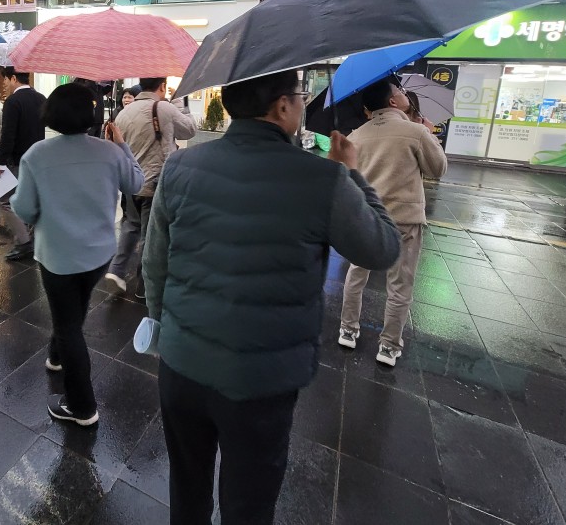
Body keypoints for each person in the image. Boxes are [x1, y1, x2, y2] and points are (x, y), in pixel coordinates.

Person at [142, 70, 401, 525]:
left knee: (187, 488)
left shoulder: (182, 166)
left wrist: (169, 329)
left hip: (182, 367)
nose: (302, 105)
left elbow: (155, 262)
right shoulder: (324, 180)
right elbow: (381, 248)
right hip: (261, 380)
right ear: (282, 106)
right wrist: (354, 175)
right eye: (300, 97)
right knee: (250, 502)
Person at [11, 83, 143, 426]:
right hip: (99, 254)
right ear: (91, 115)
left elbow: (24, 208)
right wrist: (122, 146)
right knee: (73, 311)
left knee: (70, 326)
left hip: (57, 256)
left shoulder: (36, 155)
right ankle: (56, 355)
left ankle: (81, 407)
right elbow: (136, 184)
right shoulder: (110, 153)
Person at [338, 78, 447, 367]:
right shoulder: (415, 132)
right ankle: (388, 346)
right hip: (404, 219)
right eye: (399, 91)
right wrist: (429, 134)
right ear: (393, 102)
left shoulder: (356, 136)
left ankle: (347, 329)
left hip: (366, 216)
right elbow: (438, 169)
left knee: (356, 274)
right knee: (400, 284)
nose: (402, 94)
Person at [105, 77, 196, 299]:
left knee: (130, 225)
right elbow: (190, 130)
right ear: (162, 86)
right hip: (155, 183)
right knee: (149, 235)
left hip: (131, 182)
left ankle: (116, 270)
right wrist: (180, 102)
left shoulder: (125, 112)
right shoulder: (163, 107)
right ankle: (144, 285)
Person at [0, 67, 45, 260]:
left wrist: (0, 164)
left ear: (14, 78)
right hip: (38, 159)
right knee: (33, 198)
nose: (4, 84)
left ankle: (24, 242)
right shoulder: (41, 98)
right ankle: (34, 236)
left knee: (6, 202)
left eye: (5, 80)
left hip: (17, 161)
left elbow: (7, 135)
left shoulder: (13, 102)